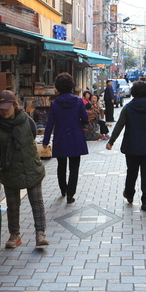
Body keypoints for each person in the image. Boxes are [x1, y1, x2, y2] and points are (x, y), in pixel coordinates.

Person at [0, 91, 49, 248]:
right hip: (10, 169)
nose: (3, 111)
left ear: (14, 105)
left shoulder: (27, 121)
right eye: (0, 108)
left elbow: (32, 138)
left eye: (6, 107)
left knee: (37, 202)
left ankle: (40, 233)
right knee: (12, 205)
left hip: (31, 167)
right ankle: (14, 235)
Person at [106, 81, 146, 211]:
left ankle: (130, 194)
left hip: (131, 146)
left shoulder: (128, 108)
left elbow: (119, 125)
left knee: (132, 171)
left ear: (134, 92)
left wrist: (111, 141)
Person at [42, 72, 89, 204]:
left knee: (61, 165)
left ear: (57, 87)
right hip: (75, 136)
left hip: (61, 137)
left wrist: (45, 141)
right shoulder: (78, 101)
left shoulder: (55, 103)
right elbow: (84, 118)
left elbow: (50, 123)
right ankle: (70, 194)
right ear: (71, 86)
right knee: (74, 167)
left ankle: (63, 189)